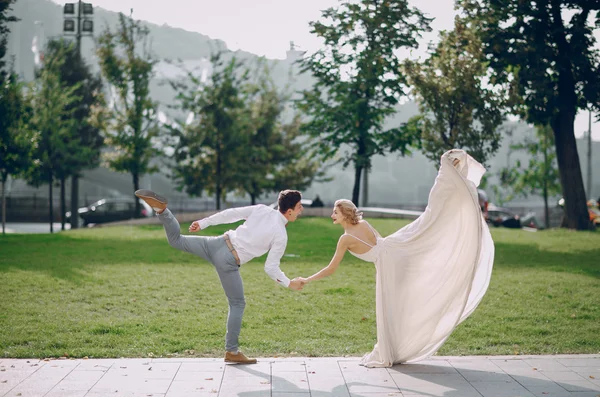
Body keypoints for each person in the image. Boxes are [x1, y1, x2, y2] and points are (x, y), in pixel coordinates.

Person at [300, 149, 495, 367]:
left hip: (390, 260)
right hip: (394, 249)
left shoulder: (345, 239)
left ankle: (448, 172)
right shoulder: (362, 224)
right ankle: (448, 172)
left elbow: (331, 268)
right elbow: (380, 243)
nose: (331, 215)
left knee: (428, 224)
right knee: (428, 221)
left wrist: (307, 279)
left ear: (344, 214)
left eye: (335, 212)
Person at [135, 189, 306, 365]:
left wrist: (204, 223)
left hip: (216, 243)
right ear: (290, 210)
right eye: (299, 207)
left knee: (176, 240)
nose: (301, 210)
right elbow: (270, 267)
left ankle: (162, 211)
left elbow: (230, 214)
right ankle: (232, 351)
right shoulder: (280, 235)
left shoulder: (262, 209)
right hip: (229, 260)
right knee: (238, 303)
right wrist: (289, 283)